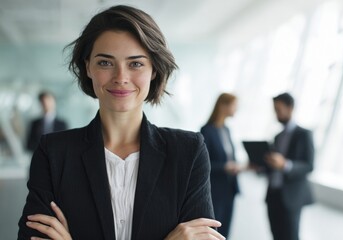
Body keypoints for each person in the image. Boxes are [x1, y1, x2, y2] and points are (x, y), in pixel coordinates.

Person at [18, 5, 225, 240]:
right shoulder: (53, 152)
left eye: (135, 63)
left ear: (154, 69)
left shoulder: (188, 151)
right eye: (105, 63)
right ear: (88, 67)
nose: (120, 78)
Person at [264, 92, 314, 240]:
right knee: (276, 235)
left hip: (292, 196)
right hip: (273, 194)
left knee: (291, 236)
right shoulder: (277, 136)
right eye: (274, 110)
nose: (276, 114)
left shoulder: (304, 134)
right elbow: (272, 167)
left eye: (278, 109)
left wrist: (286, 165)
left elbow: (309, 165)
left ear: (290, 108)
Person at [200, 93, 241, 238]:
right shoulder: (207, 130)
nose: (237, 109)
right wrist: (225, 167)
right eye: (234, 105)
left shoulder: (227, 130)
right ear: (223, 106)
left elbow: (229, 157)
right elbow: (203, 163)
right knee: (213, 230)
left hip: (229, 188)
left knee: (225, 231)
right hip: (215, 189)